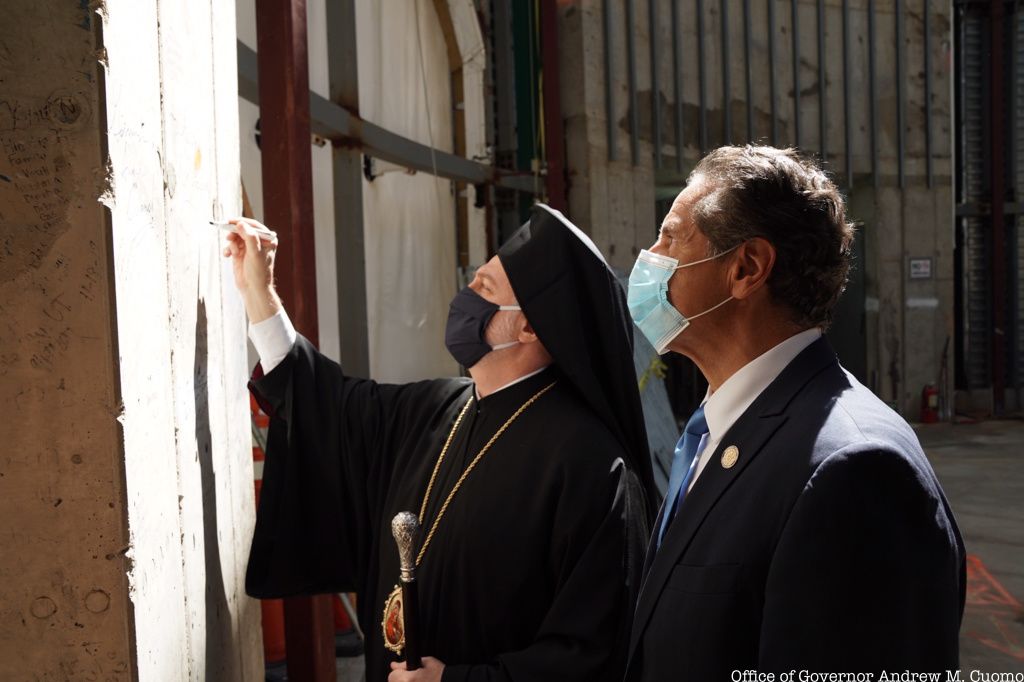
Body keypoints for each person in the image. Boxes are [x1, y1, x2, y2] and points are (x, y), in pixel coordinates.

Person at [223, 204, 656, 682]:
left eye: (483, 290)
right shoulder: (438, 406)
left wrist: (454, 681)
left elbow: (591, 657)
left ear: (531, 327)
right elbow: (326, 406)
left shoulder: (593, 468)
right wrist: (257, 291)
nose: (465, 297)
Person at [624, 145, 965, 679]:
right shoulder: (718, 427)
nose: (650, 256)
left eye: (670, 236)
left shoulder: (854, 471)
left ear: (747, 268)